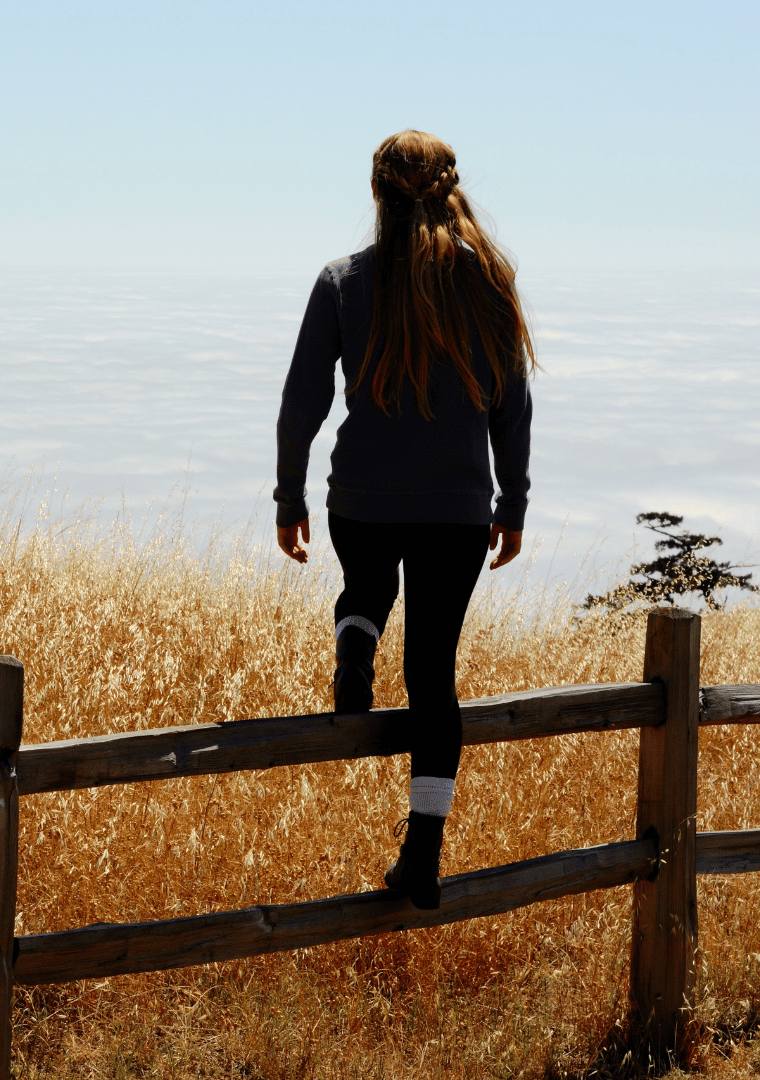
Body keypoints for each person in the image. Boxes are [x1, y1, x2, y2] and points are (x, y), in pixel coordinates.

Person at [272, 130, 534, 909]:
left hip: (359, 499)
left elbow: (301, 401)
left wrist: (289, 497)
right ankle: (421, 855)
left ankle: (355, 640)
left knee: (364, 584)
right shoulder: (489, 279)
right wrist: (512, 503)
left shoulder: (342, 280)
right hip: (456, 510)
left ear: (378, 193)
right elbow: (512, 407)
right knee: (433, 679)